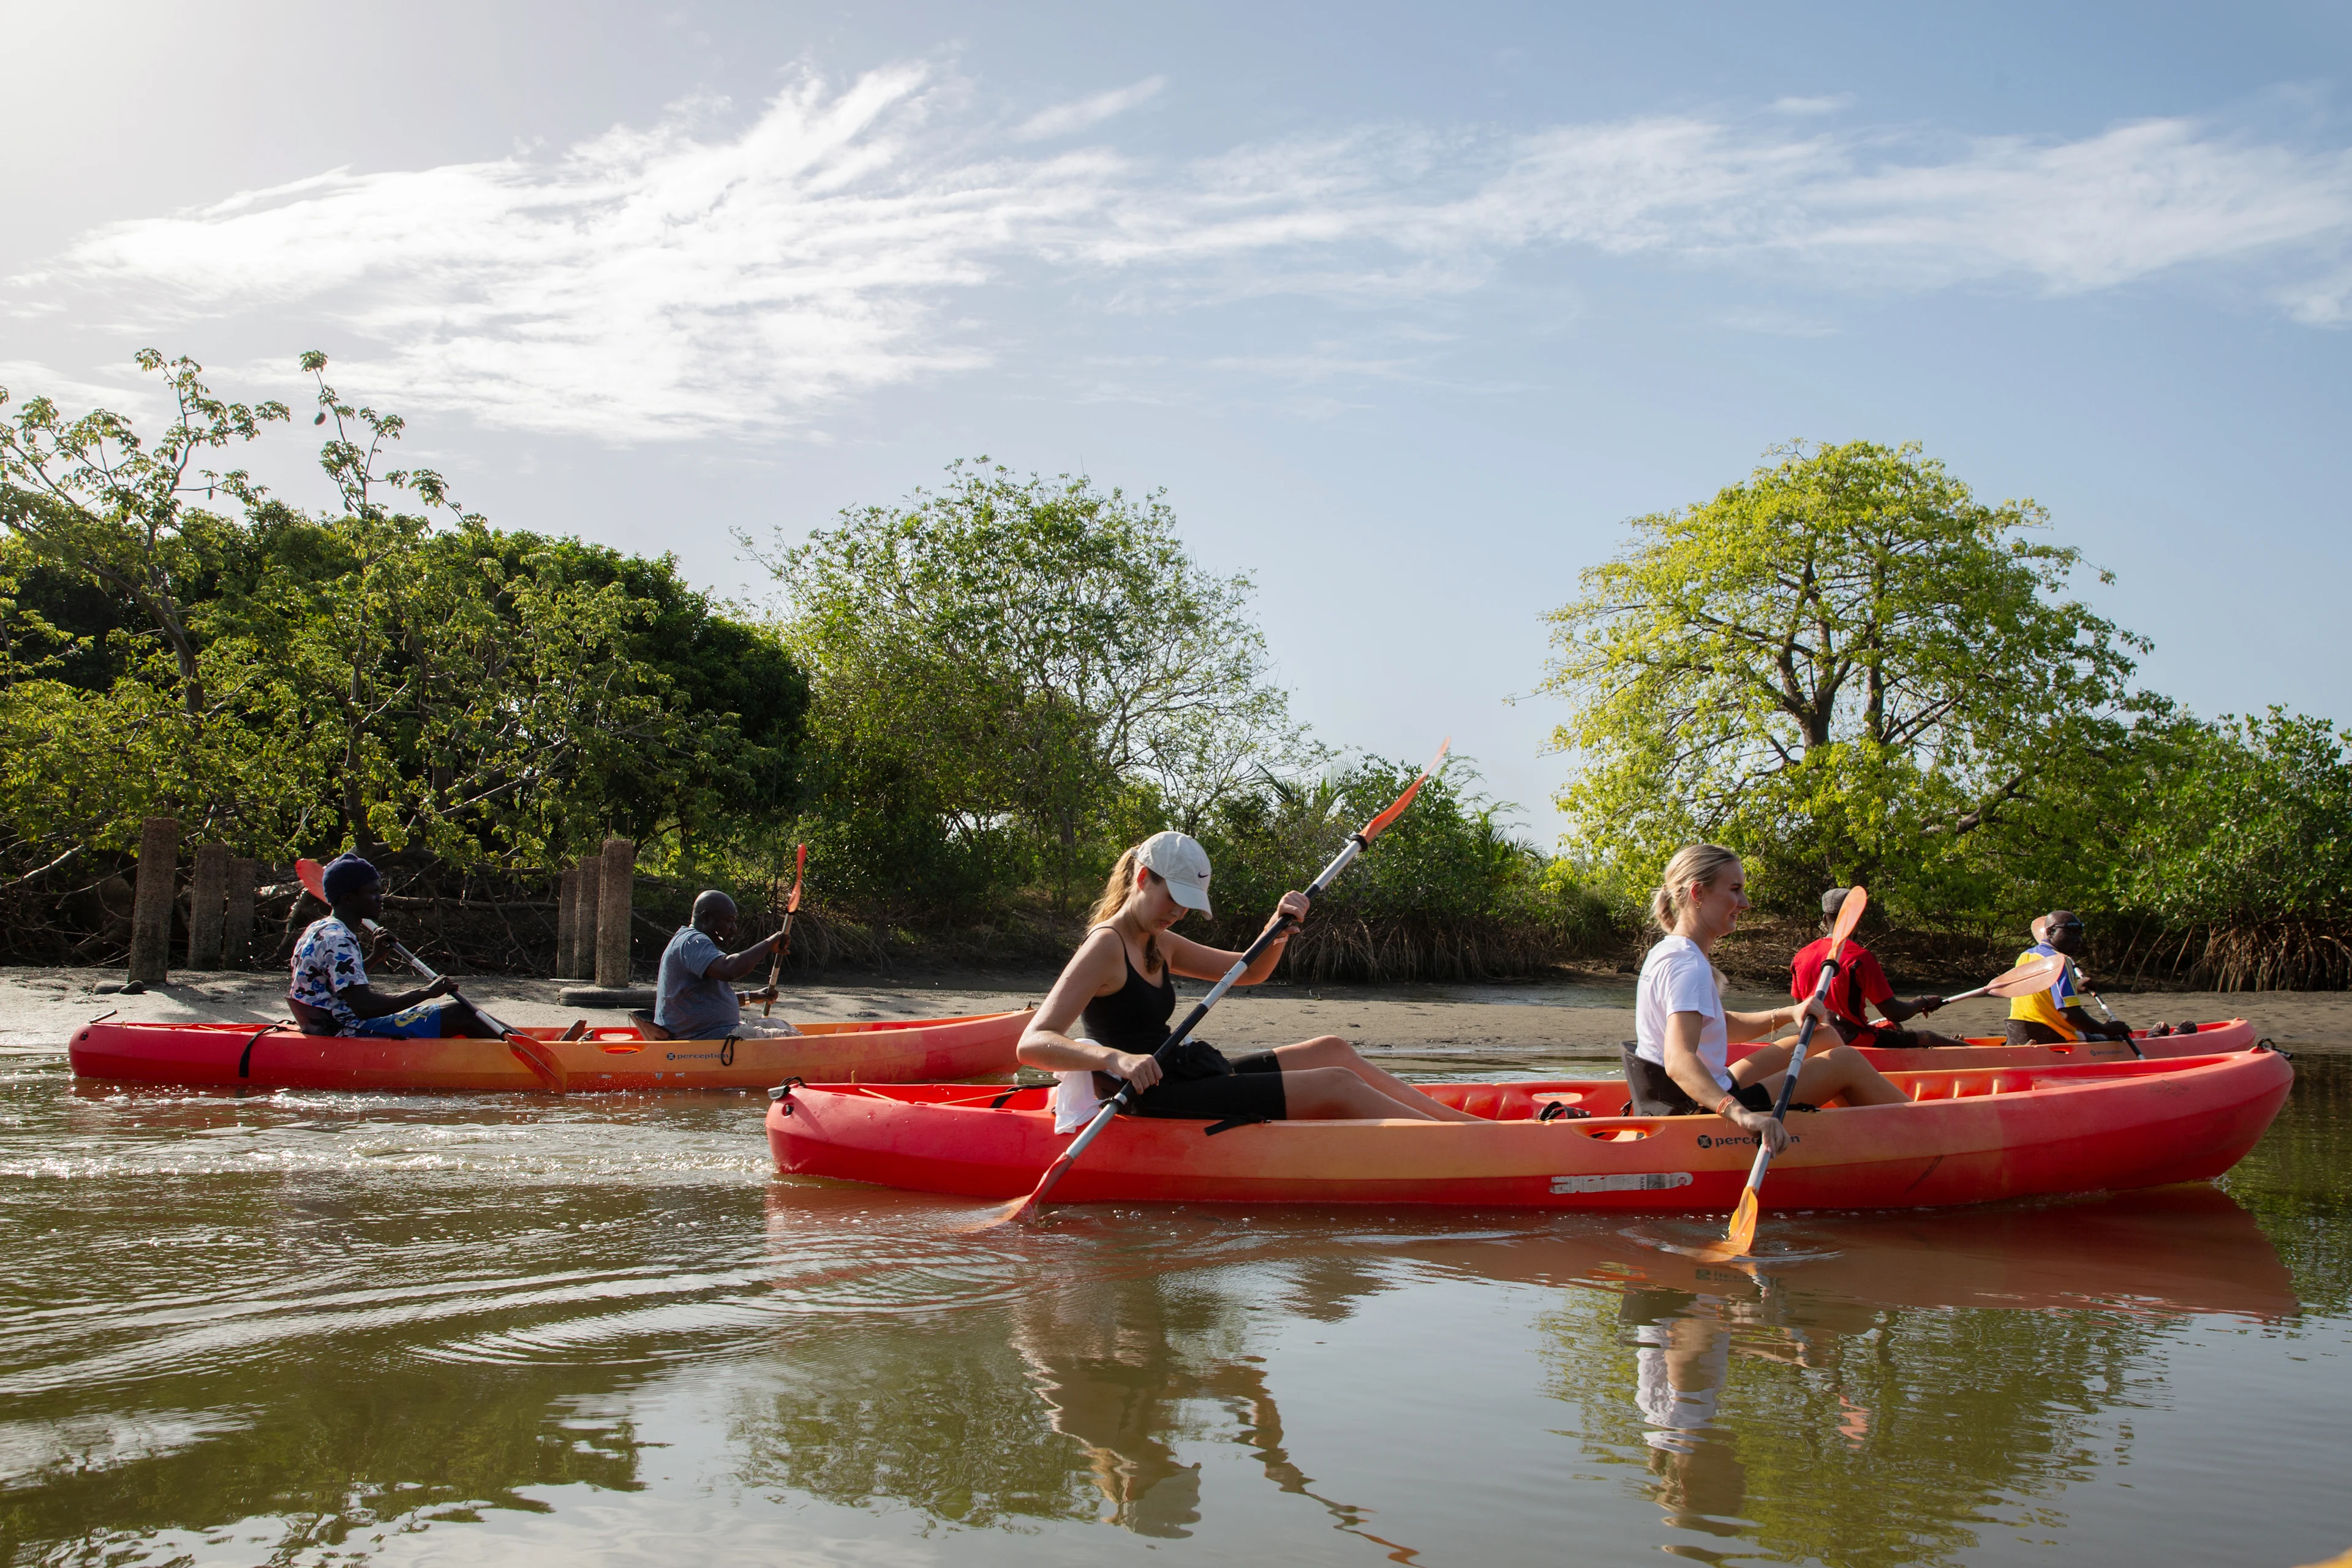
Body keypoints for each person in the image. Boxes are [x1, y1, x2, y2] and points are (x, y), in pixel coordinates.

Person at [1018, 831, 1484, 1133]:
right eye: (1173, 900)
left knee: (1333, 1050)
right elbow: (1034, 1043)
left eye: (1187, 905)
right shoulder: (1105, 946)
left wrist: (1276, 929)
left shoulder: (1161, 941)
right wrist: (1116, 1059)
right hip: (1144, 1099)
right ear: (1143, 879)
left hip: (1182, 1073)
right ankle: (1467, 1145)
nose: (1178, 913)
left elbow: (1251, 970)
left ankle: (1469, 1128)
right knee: (1336, 1083)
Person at [1630, 844, 1909, 1152]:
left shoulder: (1668, 950)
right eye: (1735, 889)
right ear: (1698, 893)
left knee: (1825, 1036)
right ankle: (1918, 1133)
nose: (1745, 903)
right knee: (1846, 1061)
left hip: (1685, 1094)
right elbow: (1679, 1061)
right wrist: (1744, 1117)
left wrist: (1791, 1013)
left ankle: (1862, 1131)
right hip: (1697, 1109)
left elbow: (1719, 1024)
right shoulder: (1688, 965)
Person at [287, 854, 500, 1038]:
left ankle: (518, 1040)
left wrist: (375, 957)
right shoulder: (339, 939)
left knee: (455, 1013)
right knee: (459, 1014)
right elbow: (365, 1008)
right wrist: (427, 991)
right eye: (372, 892)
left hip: (327, 1025)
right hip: (346, 1029)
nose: (381, 899)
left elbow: (337, 988)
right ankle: (526, 1050)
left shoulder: (318, 929)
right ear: (349, 899)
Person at [1790, 888, 1968, 1050]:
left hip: (1812, 1040)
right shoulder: (1860, 957)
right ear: (1856, 918)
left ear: (1823, 919)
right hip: (1853, 1040)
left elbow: (1801, 1011)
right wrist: (1923, 1001)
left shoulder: (1800, 957)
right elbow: (1895, 1012)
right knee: (1928, 1037)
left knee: (1893, 1027)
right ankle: (1968, 1050)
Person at [654, 890, 802, 1039]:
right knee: (792, 1039)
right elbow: (729, 970)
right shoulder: (692, 941)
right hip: (702, 1036)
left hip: (712, 1029)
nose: (734, 929)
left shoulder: (693, 943)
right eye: (729, 921)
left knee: (784, 1027)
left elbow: (706, 1002)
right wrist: (769, 943)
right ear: (706, 918)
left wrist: (752, 997)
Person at [2005, 910, 2133, 1045]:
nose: (2078, 939)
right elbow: (2069, 1014)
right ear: (2049, 932)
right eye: (2070, 931)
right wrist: (2106, 1029)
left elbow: (2040, 993)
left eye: (2079, 933)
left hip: (2019, 1035)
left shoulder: (2025, 956)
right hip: (2055, 1037)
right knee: (2115, 1040)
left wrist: (2074, 987)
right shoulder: (2060, 961)